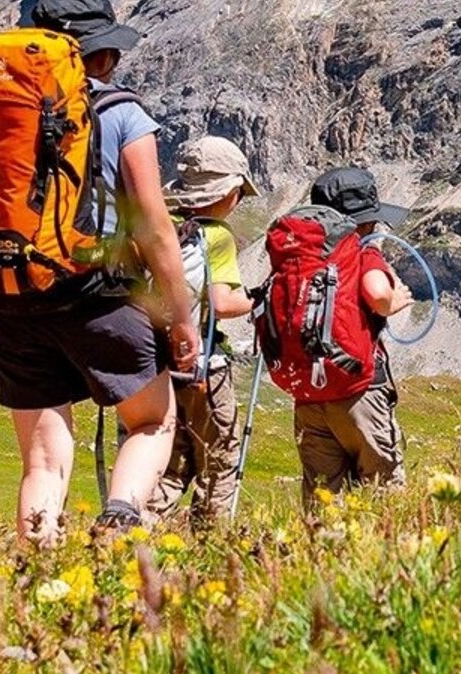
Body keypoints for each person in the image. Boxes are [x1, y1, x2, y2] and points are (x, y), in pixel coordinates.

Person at [0, 0, 199, 546]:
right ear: (98, 55)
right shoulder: (124, 113)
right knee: (152, 421)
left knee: (42, 463)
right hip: (99, 293)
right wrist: (181, 318)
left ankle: (37, 565)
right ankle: (121, 515)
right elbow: (153, 227)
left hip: (10, 300)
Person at [282, 166, 414, 504]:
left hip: (310, 393)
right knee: (382, 490)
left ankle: (319, 553)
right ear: (366, 221)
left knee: (322, 496)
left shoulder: (300, 254)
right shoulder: (362, 251)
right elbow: (377, 294)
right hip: (359, 391)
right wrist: (394, 300)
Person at [147, 134, 257, 531]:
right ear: (227, 192)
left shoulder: (159, 226)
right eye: (239, 192)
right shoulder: (216, 235)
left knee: (170, 462)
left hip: (154, 366)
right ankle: (210, 543)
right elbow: (223, 303)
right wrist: (258, 300)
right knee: (219, 457)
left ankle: (139, 532)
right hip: (203, 368)